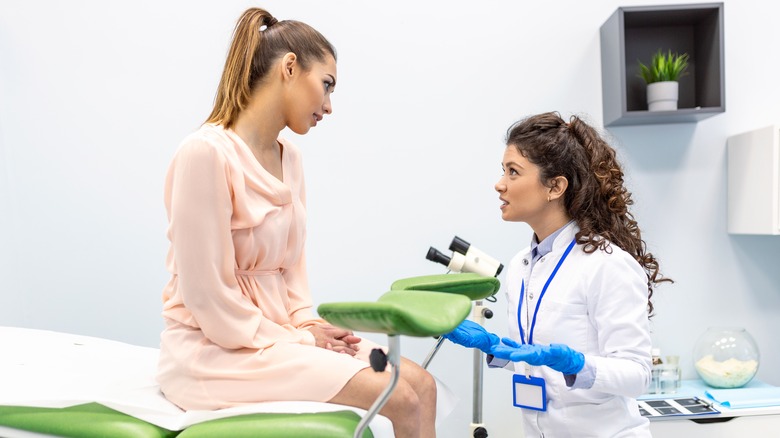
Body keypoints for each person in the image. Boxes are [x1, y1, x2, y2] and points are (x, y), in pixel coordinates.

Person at [156, 8, 437, 438]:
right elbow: (207, 297)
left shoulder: (292, 158)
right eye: (326, 85)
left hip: (280, 338)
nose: (329, 106)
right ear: (290, 67)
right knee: (397, 395)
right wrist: (300, 340)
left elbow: (293, 271)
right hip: (215, 350)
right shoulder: (206, 153)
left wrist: (308, 324)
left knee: (422, 384)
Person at [443, 111, 672, 437]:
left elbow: (637, 374)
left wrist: (578, 364)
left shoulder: (606, 265)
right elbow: (538, 361)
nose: (499, 184)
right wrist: (495, 348)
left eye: (513, 172)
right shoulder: (522, 265)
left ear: (555, 187)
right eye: (503, 171)